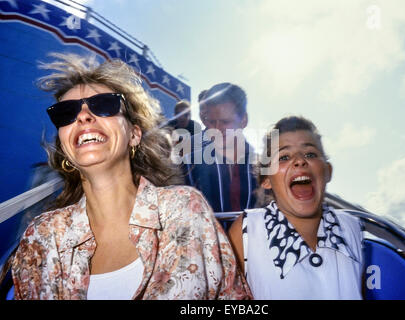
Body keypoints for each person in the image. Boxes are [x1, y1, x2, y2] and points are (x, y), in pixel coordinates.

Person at [10, 53, 251, 300]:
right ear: (63, 143)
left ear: (134, 134)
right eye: (66, 113)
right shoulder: (39, 237)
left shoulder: (186, 209)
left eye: (104, 105)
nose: (82, 116)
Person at [228, 116, 363, 299]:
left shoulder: (352, 227)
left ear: (328, 171)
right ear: (266, 179)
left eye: (310, 154)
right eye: (284, 157)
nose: (300, 161)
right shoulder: (247, 230)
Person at [183, 83, 257, 216]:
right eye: (211, 122)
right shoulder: (188, 164)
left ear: (243, 120)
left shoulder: (262, 167)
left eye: (225, 121)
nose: (217, 129)